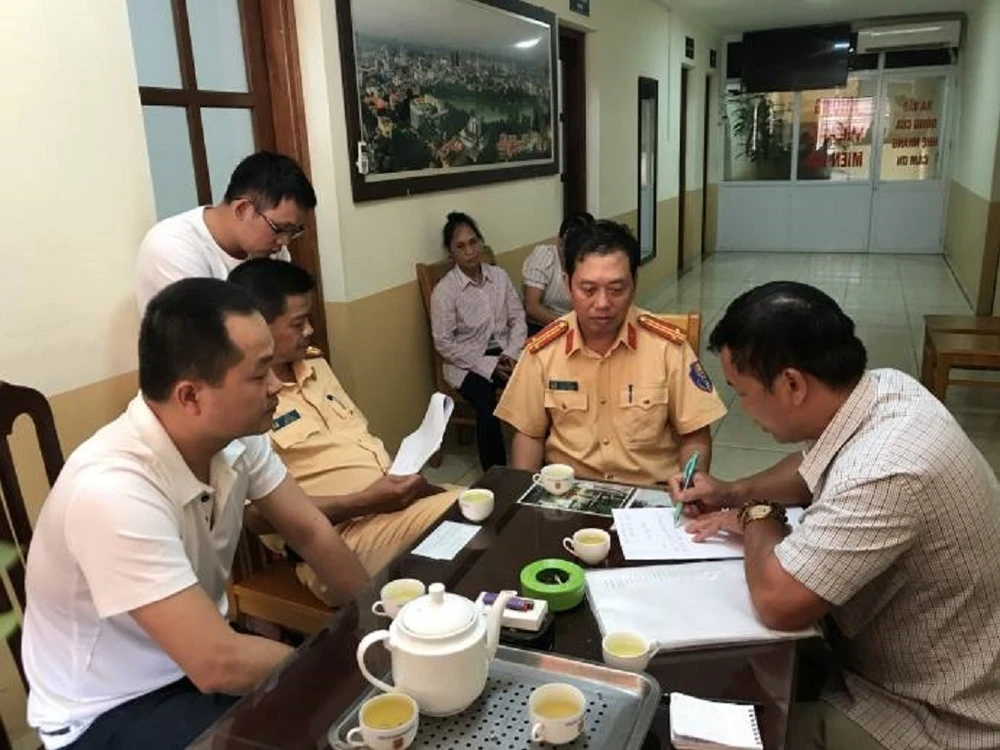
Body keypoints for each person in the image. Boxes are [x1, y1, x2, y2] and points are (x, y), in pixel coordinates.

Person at [22, 279, 368, 749]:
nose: (276, 386)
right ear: (190, 397)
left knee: (338, 710)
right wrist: (352, 662)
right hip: (109, 708)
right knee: (322, 719)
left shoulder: (238, 437)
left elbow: (309, 530)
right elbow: (217, 663)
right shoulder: (113, 491)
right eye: (259, 375)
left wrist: (379, 620)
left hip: (192, 661)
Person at [671, 282, 1000, 750]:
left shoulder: (887, 469)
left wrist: (755, 514)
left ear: (792, 384)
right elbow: (814, 465)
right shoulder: (886, 389)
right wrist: (732, 490)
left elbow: (778, 603)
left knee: (704, 731)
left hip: (932, 716)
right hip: (891, 666)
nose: (739, 408)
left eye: (741, 392)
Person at [229, 259, 458, 604]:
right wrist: (364, 501)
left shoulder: (315, 364)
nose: (309, 330)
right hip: (336, 541)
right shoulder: (245, 400)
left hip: (389, 511)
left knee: (488, 501)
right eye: (298, 323)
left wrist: (401, 485)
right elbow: (256, 517)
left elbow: (355, 440)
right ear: (258, 327)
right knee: (467, 516)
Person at [495, 220, 727, 486]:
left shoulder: (667, 348)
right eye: (588, 290)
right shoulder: (544, 350)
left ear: (634, 283)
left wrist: (688, 489)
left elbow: (695, 434)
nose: (603, 303)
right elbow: (529, 434)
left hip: (650, 493)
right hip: (570, 492)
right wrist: (524, 495)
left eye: (616, 289)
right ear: (567, 284)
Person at [136, 151, 316, 314]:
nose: (284, 242)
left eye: (293, 231)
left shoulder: (272, 249)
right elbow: (207, 330)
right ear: (242, 209)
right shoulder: (172, 245)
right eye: (280, 228)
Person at [430, 211, 526, 471]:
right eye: (461, 246)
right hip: (466, 363)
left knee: (536, 386)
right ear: (450, 253)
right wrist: (488, 365)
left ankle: (541, 461)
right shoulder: (445, 291)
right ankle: (496, 475)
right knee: (486, 402)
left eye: (473, 242)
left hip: (506, 352)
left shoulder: (499, 277)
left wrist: (511, 353)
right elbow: (444, 343)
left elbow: (518, 318)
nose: (470, 251)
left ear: (481, 242)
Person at [522, 211, 594, 334]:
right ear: (559, 240)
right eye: (565, 244)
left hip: (580, 327)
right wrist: (568, 327)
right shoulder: (544, 256)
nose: (569, 251)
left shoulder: (593, 261)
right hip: (542, 327)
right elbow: (532, 307)